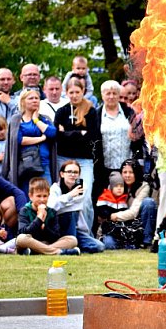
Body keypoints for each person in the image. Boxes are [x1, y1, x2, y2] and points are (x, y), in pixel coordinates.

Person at [55, 77, 98, 231]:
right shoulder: (62, 112)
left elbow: (92, 136)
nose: (74, 95)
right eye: (71, 92)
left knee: (85, 197)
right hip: (63, 159)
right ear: (66, 93)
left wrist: (67, 133)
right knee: (64, 195)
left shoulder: (91, 112)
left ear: (83, 92)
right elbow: (57, 136)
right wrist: (79, 133)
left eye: (77, 92)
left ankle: (86, 233)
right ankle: (65, 231)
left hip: (84, 160)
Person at [2, 90, 58, 193]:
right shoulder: (17, 120)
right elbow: (19, 140)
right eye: (31, 98)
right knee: (28, 198)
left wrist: (36, 120)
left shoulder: (44, 119)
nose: (34, 101)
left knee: (47, 197)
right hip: (25, 166)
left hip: (44, 164)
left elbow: (52, 133)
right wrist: (42, 138)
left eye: (37, 98)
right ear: (23, 102)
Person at [48, 160, 104, 254]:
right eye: (69, 172)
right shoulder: (55, 188)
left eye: (75, 172)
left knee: (99, 246)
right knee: (70, 213)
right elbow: (51, 206)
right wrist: (70, 195)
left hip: (76, 229)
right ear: (62, 174)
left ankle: (69, 248)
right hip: (58, 228)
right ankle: (67, 247)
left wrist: (61, 203)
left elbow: (64, 205)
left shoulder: (82, 187)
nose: (72, 175)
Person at [100, 159, 157, 249]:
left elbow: (133, 212)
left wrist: (113, 216)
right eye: (124, 172)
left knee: (149, 203)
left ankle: (146, 241)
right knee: (108, 244)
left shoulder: (144, 186)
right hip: (118, 226)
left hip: (136, 223)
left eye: (131, 172)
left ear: (136, 173)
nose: (127, 175)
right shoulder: (114, 185)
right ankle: (129, 244)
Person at [16, 177, 79, 255]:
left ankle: (36, 252)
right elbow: (23, 232)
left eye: (45, 196)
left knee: (72, 239)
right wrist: (39, 219)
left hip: (47, 243)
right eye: (38, 196)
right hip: (31, 242)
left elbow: (56, 236)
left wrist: (45, 228)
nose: (42, 199)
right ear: (31, 196)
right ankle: (59, 252)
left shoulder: (52, 211)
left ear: (49, 196)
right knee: (21, 239)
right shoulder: (25, 210)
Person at [94, 80, 134, 199]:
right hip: (104, 165)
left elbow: (136, 135)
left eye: (114, 93)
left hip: (126, 164)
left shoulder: (128, 112)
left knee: (125, 198)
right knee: (105, 198)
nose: (111, 96)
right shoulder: (96, 114)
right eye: (108, 93)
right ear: (102, 95)